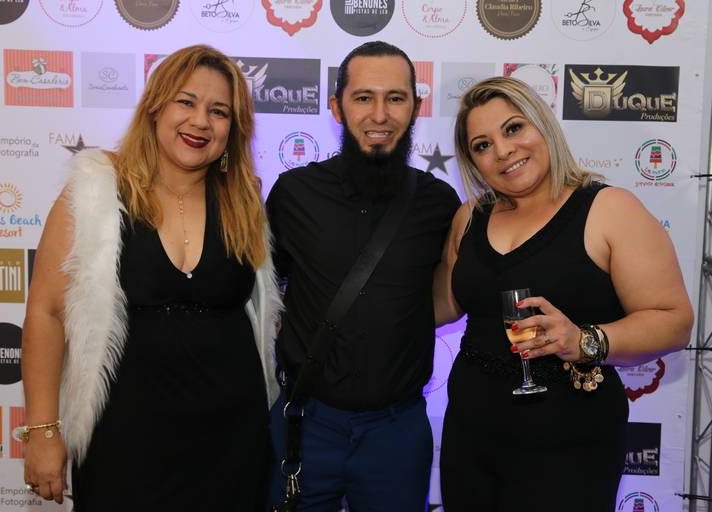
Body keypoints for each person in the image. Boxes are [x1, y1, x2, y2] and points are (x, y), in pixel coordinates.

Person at [20, 45, 281, 511]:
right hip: (123, 440)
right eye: (186, 102)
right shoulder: (96, 188)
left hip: (232, 440)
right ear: (156, 106)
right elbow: (46, 312)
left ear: (233, 127)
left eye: (218, 111)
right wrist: (43, 432)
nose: (200, 122)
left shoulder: (244, 202)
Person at [434, 76, 693, 511]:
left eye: (514, 128)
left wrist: (585, 340)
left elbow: (673, 320)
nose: (503, 150)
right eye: (482, 145)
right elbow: (441, 303)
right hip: (470, 439)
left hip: (571, 443)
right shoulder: (470, 217)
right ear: (472, 160)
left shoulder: (610, 209)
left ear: (542, 125)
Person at [265, 41, 459, 510]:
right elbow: (266, 294)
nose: (380, 114)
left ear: (415, 108)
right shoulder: (293, 194)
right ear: (337, 107)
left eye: (396, 98)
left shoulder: (439, 203)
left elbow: (447, 296)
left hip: (396, 431)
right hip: (305, 423)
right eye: (363, 97)